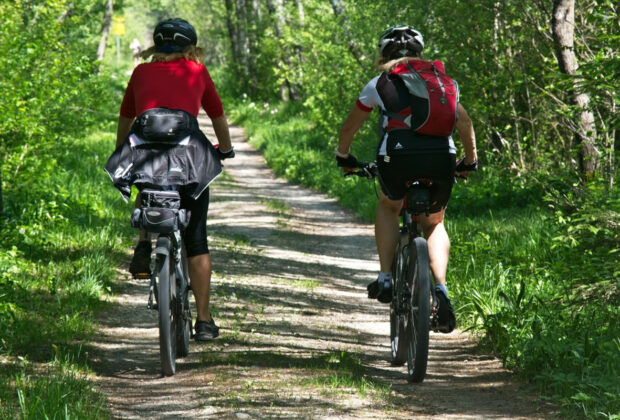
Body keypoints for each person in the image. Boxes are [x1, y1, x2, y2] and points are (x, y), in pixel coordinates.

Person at [335, 26, 478, 333]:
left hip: (397, 159)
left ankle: (386, 277)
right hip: (441, 159)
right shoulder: (442, 82)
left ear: (383, 54)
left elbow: (349, 129)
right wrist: (469, 161)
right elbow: (464, 121)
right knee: (434, 223)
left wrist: (343, 157)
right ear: (420, 53)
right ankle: (441, 289)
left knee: (388, 205)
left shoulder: (379, 83)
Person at [115, 18, 235, 341]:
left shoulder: (140, 72)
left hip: (146, 156)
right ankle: (205, 321)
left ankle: (143, 241)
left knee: (146, 180)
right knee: (197, 238)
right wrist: (225, 150)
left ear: (156, 46)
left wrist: (121, 152)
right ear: (190, 47)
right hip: (188, 159)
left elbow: (126, 118)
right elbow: (217, 115)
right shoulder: (197, 71)